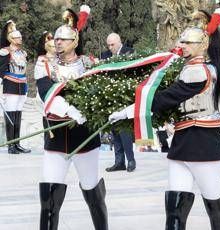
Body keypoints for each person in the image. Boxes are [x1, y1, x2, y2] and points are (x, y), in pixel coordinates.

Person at [109, 8, 220, 230]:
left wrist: (128, 111)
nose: (182, 45)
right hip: (183, 140)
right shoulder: (186, 67)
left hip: (203, 143)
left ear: (202, 45)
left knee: (216, 210)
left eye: (188, 42)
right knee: (174, 210)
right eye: (181, 41)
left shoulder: (199, 71)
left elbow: (165, 99)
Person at [34, 6, 109, 229]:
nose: (58, 43)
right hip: (56, 136)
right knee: (48, 197)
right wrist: (69, 110)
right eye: (56, 39)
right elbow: (46, 91)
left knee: (92, 191)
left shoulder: (88, 63)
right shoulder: (44, 64)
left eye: (63, 40)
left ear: (74, 41)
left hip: (84, 136)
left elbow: (101, 91)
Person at [101, 33, 136, 173]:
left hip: (125, 97)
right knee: (114, 131)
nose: (110, 48)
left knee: (124, 130)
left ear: (119, 42)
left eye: (112, 45)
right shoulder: (104, 55)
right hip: (110, 96)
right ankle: (119, 161)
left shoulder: (130, 52)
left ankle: (131, 160)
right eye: (108, 45)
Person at [0, 20, 31, 154]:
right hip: (10, 84)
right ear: (11, 38)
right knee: (11, 114)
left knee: (18, 114)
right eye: (18, 37)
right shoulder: (5, 51)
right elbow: (0, 69)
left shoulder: (23, 53)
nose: (20, 39)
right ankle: (11, 145)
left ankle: (17, 143)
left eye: (20, 37)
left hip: (21, 85)